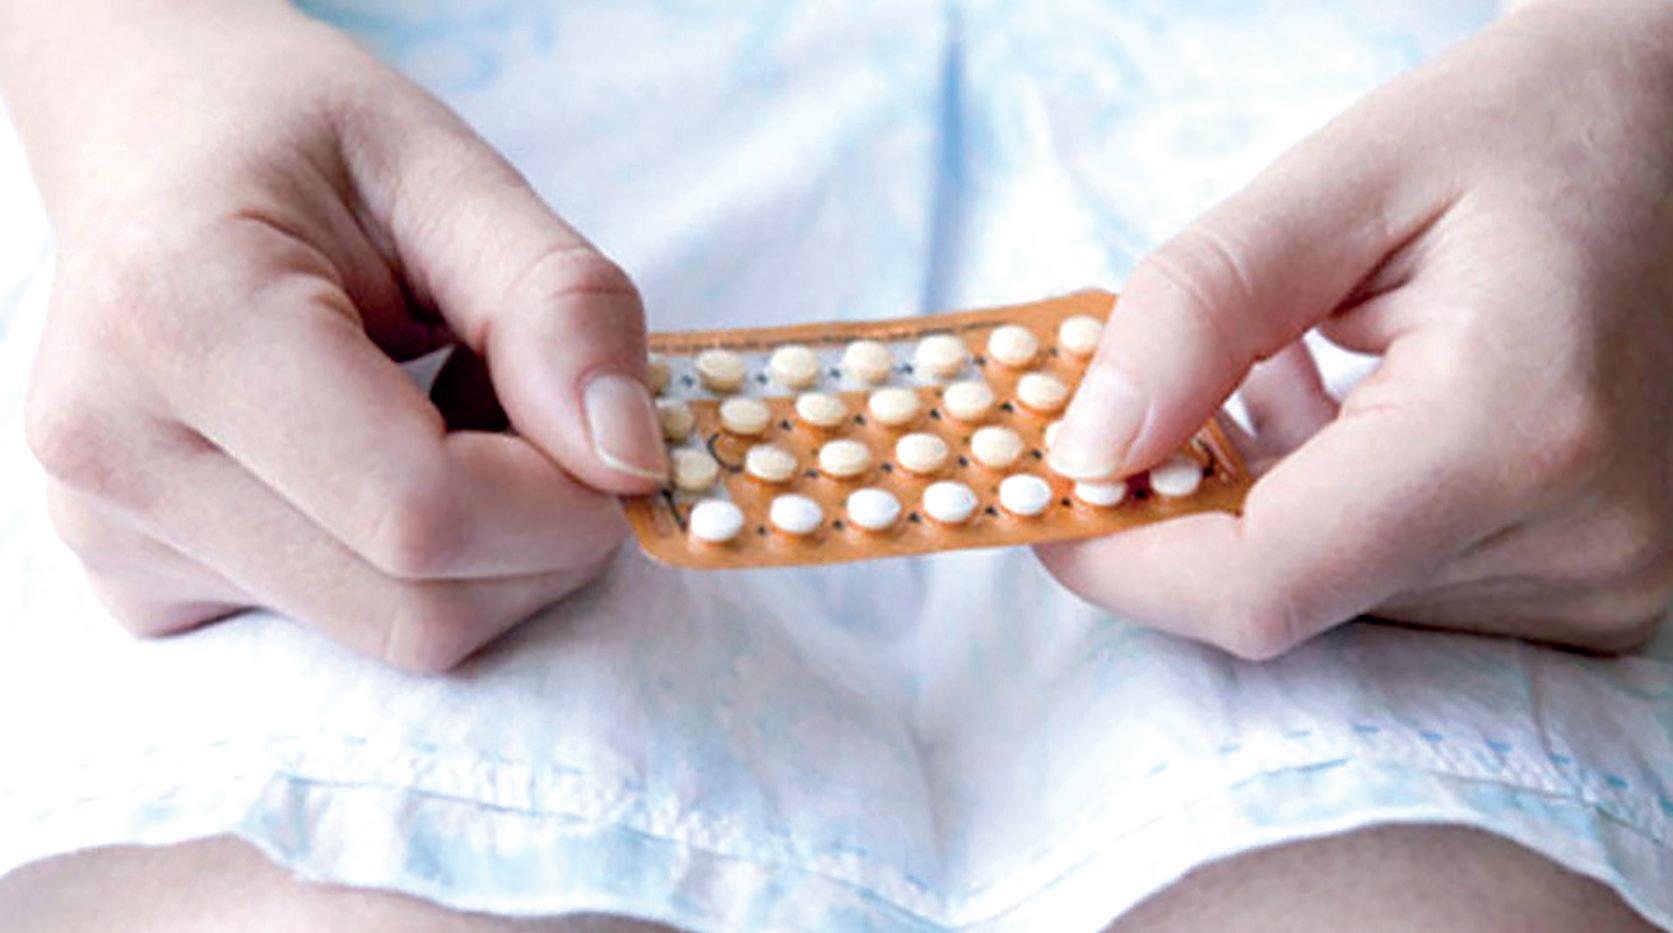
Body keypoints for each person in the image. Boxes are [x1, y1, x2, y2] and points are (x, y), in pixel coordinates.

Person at [0, 0, 1667, 929]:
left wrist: (1642, 81)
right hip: (405, 200)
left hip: (1418, 202)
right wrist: (126, 63)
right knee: (378, 886)